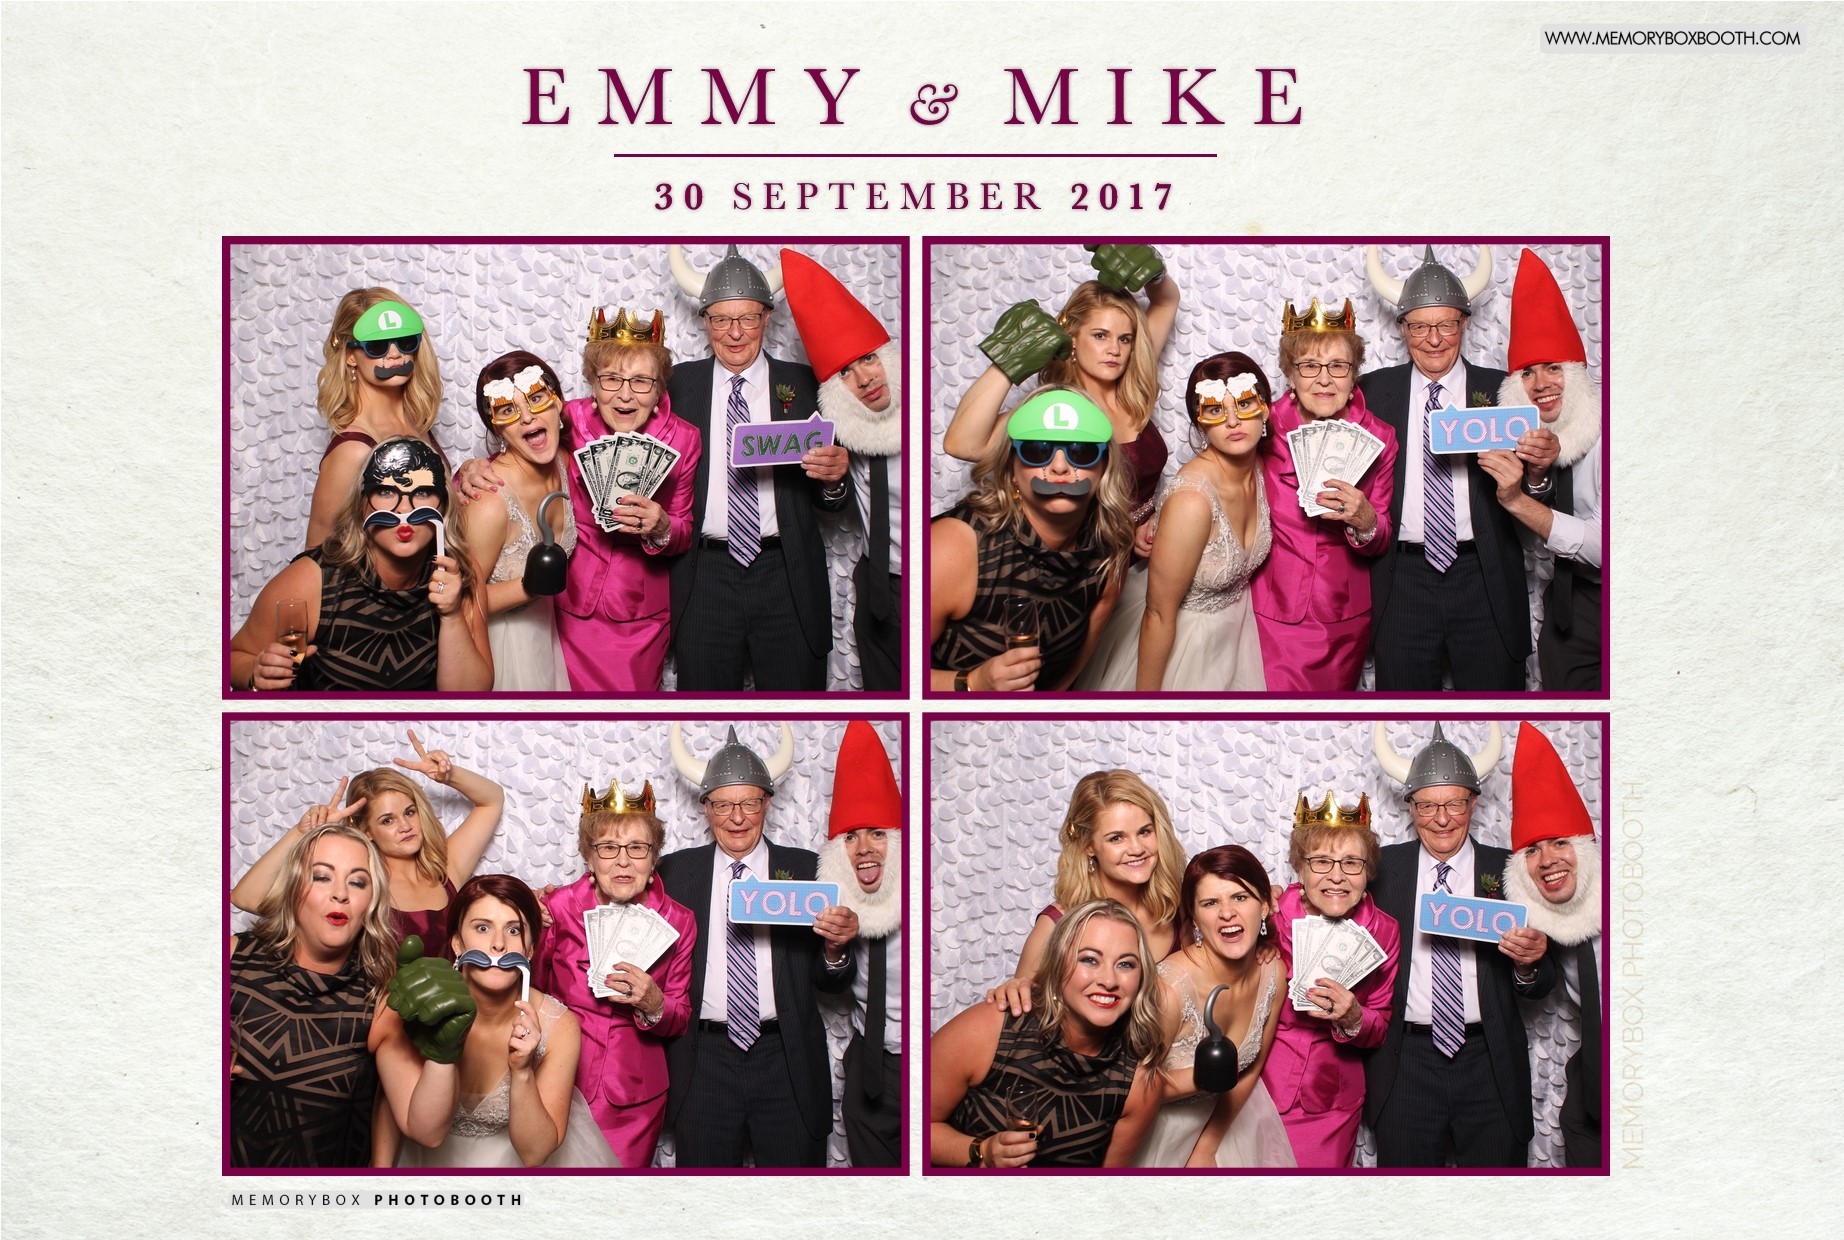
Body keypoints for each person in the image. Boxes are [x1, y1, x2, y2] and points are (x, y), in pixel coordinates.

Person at [456, 309, 701, 693]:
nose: (624, 394)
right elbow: (516, 455)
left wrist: (663, 526)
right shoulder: (572, 419)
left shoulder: (685, 438)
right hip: (566, 607)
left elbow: (684, 531)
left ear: (659, 389)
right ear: (592, 384)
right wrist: (468, 470)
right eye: (611, 379)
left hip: (639, 619)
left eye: (640, 381)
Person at [657, 724, 859, 1166]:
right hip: (704, 1060)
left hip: (786, 1057)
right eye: (723, 805)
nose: (737, 818)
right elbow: (622, 903)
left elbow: (831, 984)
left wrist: (836, 948)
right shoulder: (673, 873)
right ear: (705, 807)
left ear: (767, 803)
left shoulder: (809, 870)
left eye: (749, 803)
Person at [1366, 722, 1555, 1166]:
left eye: (1454, 803)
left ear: (1474, 802)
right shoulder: (1380, 870)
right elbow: (1329, 894)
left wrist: (1529, 963)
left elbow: (1547, 978)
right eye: (1428, 806)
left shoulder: (1510, 870)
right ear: (1410, 806)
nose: (1442, 818)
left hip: (1489, 1061)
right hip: (1406, 1063)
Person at [665, 245, 851, 691]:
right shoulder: (677, 385)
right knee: (704, 708)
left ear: (767, 318)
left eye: (747, 318)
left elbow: (831, 503)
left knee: (797, 702)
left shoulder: (806, 384)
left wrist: (834, 479)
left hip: (786, 574)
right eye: (721, 320)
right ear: (704, 321)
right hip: (705, 577)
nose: (735, 333)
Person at [1361, 246, 1532, 691]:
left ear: (1465, 324)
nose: (1433, 339)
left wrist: (1538, 473)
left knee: (1497, 700)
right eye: (1420, 326)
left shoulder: (1504, 391)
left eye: (1446, 325)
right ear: (1402, 328)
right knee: (1402, 707)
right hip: (1402, 579)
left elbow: (1542, 492)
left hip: (1484, 575)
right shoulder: (1371, 392)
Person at [372, 873, 617, 1167]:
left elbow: (535, 1154)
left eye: (514, 930)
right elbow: (402, 1113)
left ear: (530, 949)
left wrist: (522, 1071)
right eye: (482, 928)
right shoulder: (416, 1002)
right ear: (457, 943)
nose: (498, 944)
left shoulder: (560, 1026)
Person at [942, 246, 1180, 533]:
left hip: (1146, 549)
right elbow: (962, 444)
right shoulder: (1059, 408)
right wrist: (1008, 362)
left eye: (1125, 339)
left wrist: (1155, 276)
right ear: (1073, 337)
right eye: (1100, 335)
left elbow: (1166, 302)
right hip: (1092, 555)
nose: (1114, 349)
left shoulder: (1133, 386)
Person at [1075, 353, 1273, 691]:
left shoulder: (1260, 467)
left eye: (1243, 405)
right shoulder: (1192, 501)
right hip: (1183, 646)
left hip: (1236, 636)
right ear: (1199, 422)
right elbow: (1158, 613)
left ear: (1265, 409)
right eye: (1215, 410)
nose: (1233, 421)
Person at [230, 438, 492, 692]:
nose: (404, 510)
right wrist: (255, 674)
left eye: (422, 492)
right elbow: (234, 657)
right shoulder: (311, 580)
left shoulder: (459, 573)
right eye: (386, 491)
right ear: (361, 503)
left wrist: (452, 615)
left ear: (443, 504)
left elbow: (468, 698)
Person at [230, 729, 506, 957]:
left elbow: (492, 800)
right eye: (387, 820)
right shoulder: (359, 887)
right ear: (368, 831)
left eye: (409, 812)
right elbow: (246, 898)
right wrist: (301, 832)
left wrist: (448, 775)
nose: (405, 826)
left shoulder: (445, 869)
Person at [534, 781, 697, 1168]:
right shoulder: (556, 908)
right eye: (608, 847)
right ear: (589, 857)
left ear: (654, 858)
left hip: (634, 1099)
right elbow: (529, 990)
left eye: (637, 847)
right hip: (557, 1079)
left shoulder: (679, 920)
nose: (623, 861)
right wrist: (526, 923)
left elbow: (680, 1015)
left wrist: (654, 1004)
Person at [930, 899, 1163, 1168]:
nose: (1109, 981)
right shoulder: (988, 1028)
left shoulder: (1140, 1083)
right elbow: (911, 1126)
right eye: (1089, 960)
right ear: (1057, 962)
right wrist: (981, 1152)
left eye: (1126, 964)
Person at [930, 389, 1133, 692]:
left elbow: (1068, 676)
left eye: (1081, 451)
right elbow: (897, 676)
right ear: (1011, 470)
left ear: (1103, 468)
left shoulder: (1109, 551)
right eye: (1038, 450)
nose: (1060, 467)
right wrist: (971, 684)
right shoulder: (954, 547)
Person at [1250, 298, 1398, 692]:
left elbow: (1381, 537)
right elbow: (1221, 482)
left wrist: (1366, 520)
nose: (1324, 379)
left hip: (1342, 615)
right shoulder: (1260, 428)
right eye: (1310, 366)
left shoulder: (1380, 437)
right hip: (1270, 608)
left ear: (1354, 376)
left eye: (1338, 366)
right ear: (1290, 374)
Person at [230, 823, 397, 1167]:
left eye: (357, 882)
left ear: (372, 901)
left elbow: (423, 1128)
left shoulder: (380, 999)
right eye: (321, 877)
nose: (341, 894)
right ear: (293, 886)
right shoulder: (231, 957)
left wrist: (442, 1053)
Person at [781, 248, 904, 691]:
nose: (865, 379)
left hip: (944, 579)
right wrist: (833, 481)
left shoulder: (937, 421)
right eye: (845, 373)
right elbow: (832, 502)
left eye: (869, 359)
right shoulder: (840, 432)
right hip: (881, 590)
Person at [1481, 249, 1603, 691]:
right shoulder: (1540, 438)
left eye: (1554, 368)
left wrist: (1516, 501)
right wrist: (1533, 477)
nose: (1541, 385)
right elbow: (1541, 528)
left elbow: (1605, 548)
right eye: (1528, 374)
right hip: (1570, 605)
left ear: (1577, 373)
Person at [1261, 791, 1401, 1167]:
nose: (1336, 876)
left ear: (1367, 873)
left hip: (1331, 1103)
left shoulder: (1384, 931)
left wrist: (1354, 1017)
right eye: (1321, 861)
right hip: (1259, 1089)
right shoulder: (1269, 916)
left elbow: (1380, 1023)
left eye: (1352, 863)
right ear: (1300, 869)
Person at [1134, 846, 1292, 1168]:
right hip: (1154, 1132)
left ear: (1264, 905)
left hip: (1227, 1122)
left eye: (1240, 897)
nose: (1227, 913)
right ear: (1194, 917)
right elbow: (1129, 1091)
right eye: (1210, 903)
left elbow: (1251, 1067)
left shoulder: (1273, 974)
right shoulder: (1169, 990)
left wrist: (1206, 1149)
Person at [986, 769, 1187, 1014]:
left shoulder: (1179, 910)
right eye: (1116, 838)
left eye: (1145, 832)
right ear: (1089, 845)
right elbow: (1021, 1012)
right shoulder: (1056, 924)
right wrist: (1016, 988)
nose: (1136, 848)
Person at [1501, 722, 1602, 1167]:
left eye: (1560, 842)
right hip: (1593, 1089)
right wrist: (1526, 963)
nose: (1547, 861)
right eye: (1532, 850)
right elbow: (1540, 982)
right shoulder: (1553, 922)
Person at [816, 720, 904, 1166]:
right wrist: (834, 948)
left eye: (877, 833)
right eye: (850, 837)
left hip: (933, 1060)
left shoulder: (935, 904)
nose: (864, 848)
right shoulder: (840, 903)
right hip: (871, 1065)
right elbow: (829, 984)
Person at [460, 350, 575, 691]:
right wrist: (529, 585)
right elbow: (462, 603)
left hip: (547, 638)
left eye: (536, 399)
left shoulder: (565, 462)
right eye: (508, 410)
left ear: (557, 403)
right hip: (503, 648)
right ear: (496, 427)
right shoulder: (489, 501)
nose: (527, 417)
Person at [307, 290, 445, 549]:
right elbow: (318, 553)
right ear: (350, 355)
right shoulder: (353, 450)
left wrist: (467, 475)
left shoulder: (416, 422)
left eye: (405, 341)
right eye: (378, 346)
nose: (394, 355)